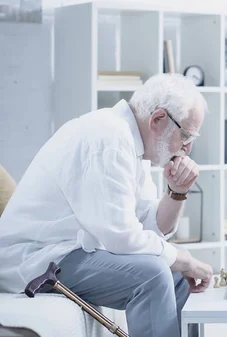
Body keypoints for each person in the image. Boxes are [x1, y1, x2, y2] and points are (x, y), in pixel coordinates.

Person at [0, 73, 213, 337]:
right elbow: (122, 238)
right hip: (38, 258)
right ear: (158, 119)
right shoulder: (108, 139)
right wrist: (184, 259)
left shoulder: (131, 144)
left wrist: (177, 192)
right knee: (154, 275)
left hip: (70, 252)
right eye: (186, 136)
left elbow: (151, 227)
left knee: (175, 276)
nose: (187, 149)